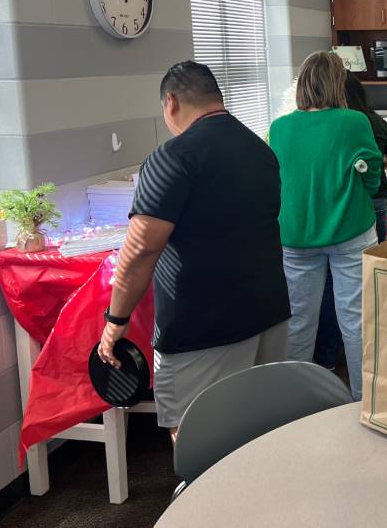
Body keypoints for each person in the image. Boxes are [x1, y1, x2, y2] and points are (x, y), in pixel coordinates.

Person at [97, 61, 290, 442]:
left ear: (170, 102)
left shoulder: (174, 157)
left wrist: (115, 319)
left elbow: (139, 251)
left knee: (198, 441)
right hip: (268, 312)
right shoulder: (260, 150)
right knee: (259, 432)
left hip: (204, 327)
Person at [268, 52, 382, 400]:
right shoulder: (353, 122)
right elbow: (373, 177)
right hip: (351, 231)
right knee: (357, 321)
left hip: (296, 236)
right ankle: (364, 402)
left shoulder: (279, 128)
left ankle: (294, 405)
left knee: (299, 324)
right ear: (337, 84)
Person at [312, 72, 387, 370]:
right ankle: (374, 355)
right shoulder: (371, 120)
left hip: (338, 208)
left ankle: (327, 357)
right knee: (371, 280)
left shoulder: (327, 125)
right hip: (373, 203)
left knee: (331, 287)